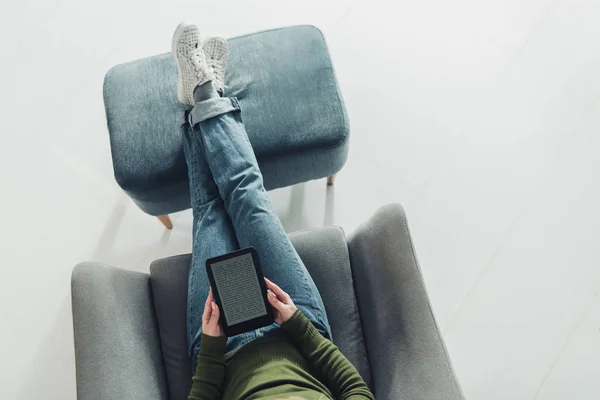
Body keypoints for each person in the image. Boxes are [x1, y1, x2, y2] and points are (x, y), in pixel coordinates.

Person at [173, 21, 375, 400]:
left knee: (211, 213)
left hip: (226, 349)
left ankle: (205, 94)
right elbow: (354, 390)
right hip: (296, 332)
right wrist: (298, 325)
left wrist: (214, 348)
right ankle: (203, 91)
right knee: (249, 200)